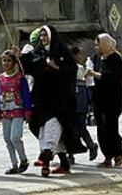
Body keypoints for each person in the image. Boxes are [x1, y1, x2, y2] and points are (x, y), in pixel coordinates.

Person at [15, 25, 87, 177]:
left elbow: (72, 71)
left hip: (60, 100)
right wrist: (18, 57)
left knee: (52, 130)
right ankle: (63, 163)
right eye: (40, 36)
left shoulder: (62, 52)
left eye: (45, 35)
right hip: (42, 99)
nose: (42, 38)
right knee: (44, 130)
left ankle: (46, 160)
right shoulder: (38, 53)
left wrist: (57, 67)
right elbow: (27, 67)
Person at [86, 33, 122, 167]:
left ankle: (117, 154)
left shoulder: (115, 59)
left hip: (112, 100)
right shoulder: (97, 58)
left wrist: (93, 74)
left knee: (111, 129)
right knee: (101, 129)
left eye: (98, 45)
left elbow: (110, 77)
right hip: (99, 99)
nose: (96, 47)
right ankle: (108, 156)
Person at [0, 50, 31, 175]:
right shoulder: (0, 78)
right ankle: (14, 164)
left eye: (9, 60)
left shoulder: (20, 77)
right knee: (7, 139)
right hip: (5, 112)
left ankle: (23, 159)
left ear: (14, 62)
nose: (6, 63)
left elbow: (26, 95)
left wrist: (27, 110)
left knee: (15, 137)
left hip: (18, 111)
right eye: (4, 60)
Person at [67, 46, 98, 165]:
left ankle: (90, 146)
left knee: (79, 129)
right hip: (76, 103)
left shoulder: (78, 68)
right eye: (79, 54)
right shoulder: (76, 68)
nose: (81, 57)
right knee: (72, 130)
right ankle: (71, 154)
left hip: (79, 103)